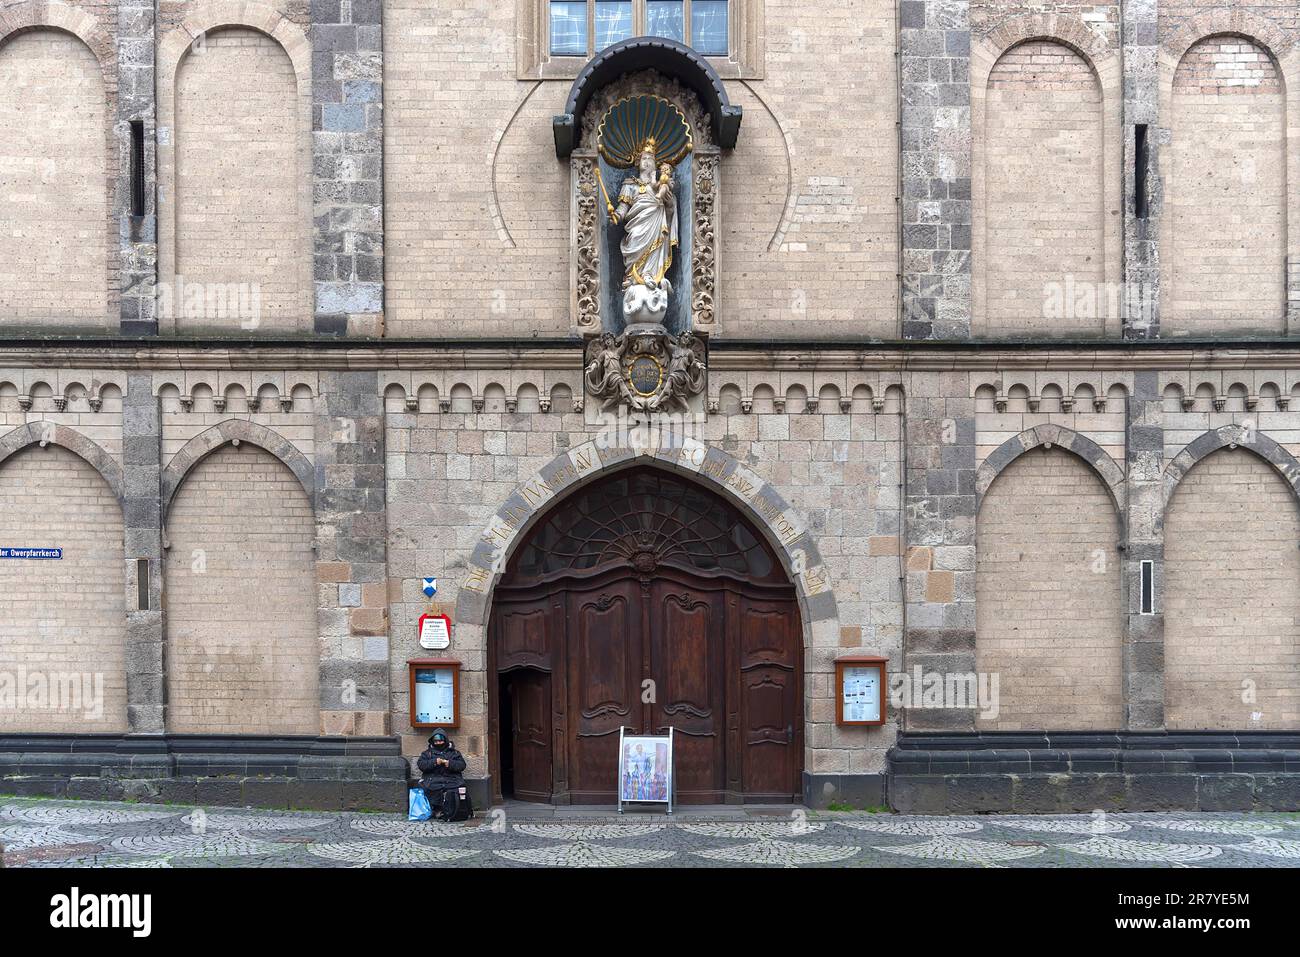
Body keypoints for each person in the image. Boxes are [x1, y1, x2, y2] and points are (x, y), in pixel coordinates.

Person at [417, 730, 466, 817]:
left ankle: (451, 809)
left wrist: (449, 763)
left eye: (440, 741)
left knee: (454, 787)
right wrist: (434, 762)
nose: (438, 743)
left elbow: (462, 765)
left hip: (451, 778)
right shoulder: (427, 753)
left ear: (445, 741)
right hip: (433, 778)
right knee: (432, 786)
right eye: (436, 741)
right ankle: (437, 810)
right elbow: (421, 765)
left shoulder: (455, 753)